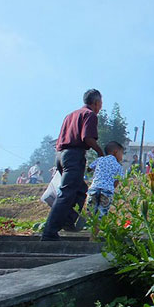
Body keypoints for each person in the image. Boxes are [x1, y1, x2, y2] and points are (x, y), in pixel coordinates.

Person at [42, 89, 104, 241]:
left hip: (60, 155)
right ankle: (49, 232)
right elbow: (87, 138)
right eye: (100, 103)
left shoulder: (70, 115)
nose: (100, 106)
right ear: (96, 103)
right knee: (66, 193)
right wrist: (100, 152)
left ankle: (68, 220)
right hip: (74, 155)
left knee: (80, 189)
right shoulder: (90, 114)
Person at [86, 141, 125, 219]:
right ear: (115, 152)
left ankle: (90, 224)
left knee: (91, 211)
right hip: (107, 190)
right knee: (102, 213)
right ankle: (98, 225)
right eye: (121, 153)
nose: (122, 156)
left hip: (94, 188)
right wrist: (111, 187)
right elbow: (116, 182)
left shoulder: (100, 159)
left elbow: (89, 169)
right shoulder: (118, 166)